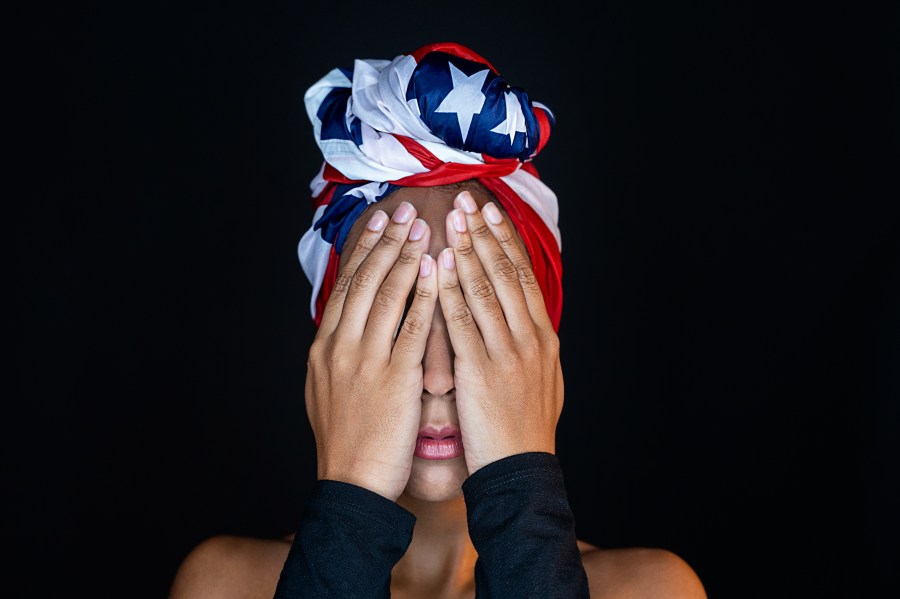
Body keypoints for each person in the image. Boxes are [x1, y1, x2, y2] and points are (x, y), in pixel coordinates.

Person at [169, 42, 707, 598]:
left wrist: (522, 494)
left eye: (475, 312)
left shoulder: (654, 588)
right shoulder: (225, 583)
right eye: (396, 310)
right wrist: (348, 509)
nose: (436, 375)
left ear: (542, 347)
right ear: (331, 347)